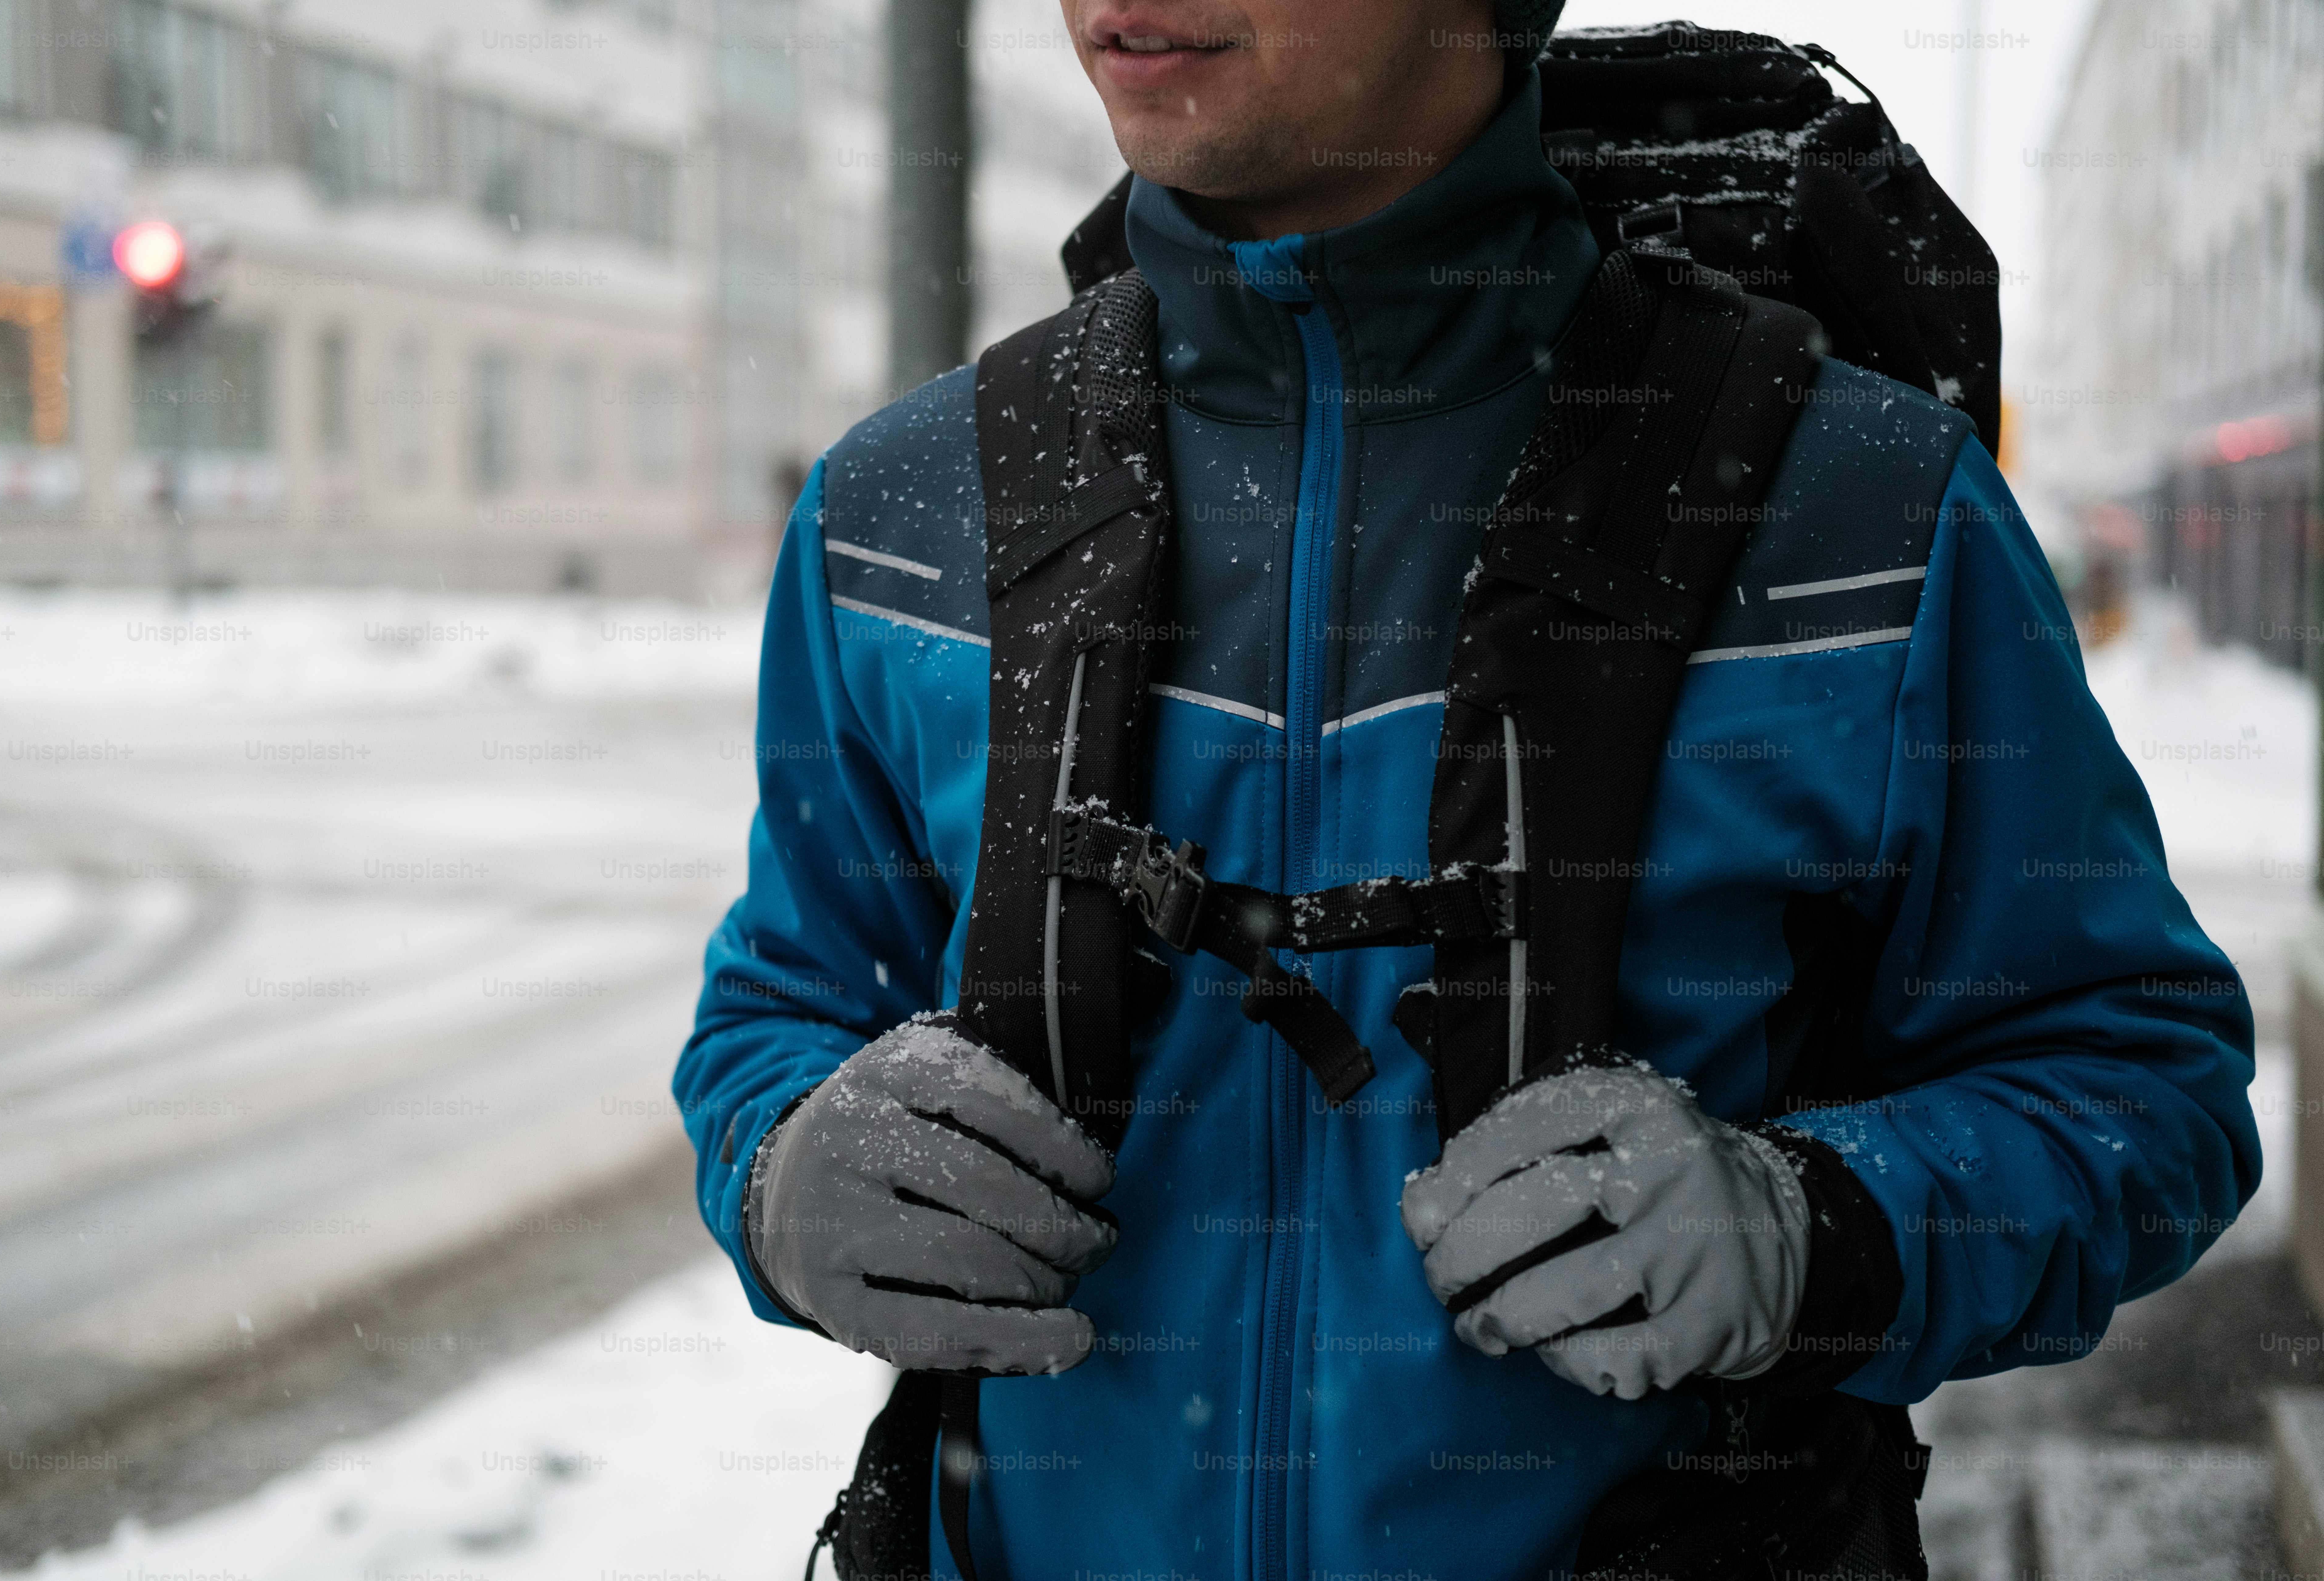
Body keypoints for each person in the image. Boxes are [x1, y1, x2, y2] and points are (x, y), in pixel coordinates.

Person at [674, 1, 2262, 1573]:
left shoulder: (1863, 513)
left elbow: (2136, 1088)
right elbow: (781, 1004)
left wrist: (1817, 1229)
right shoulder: (903, 504)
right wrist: (777, 1164)